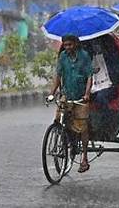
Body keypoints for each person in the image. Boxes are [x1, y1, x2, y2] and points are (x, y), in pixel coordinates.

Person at [48, 34, 93, 173]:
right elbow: (58, 76)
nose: (67, 48)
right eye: (65, 45)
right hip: (66, 95)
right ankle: (66, 140)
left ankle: (84, 158)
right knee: (59, 119)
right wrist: (52, 93)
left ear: (76, 44)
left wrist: (87, 94)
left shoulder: (84, 56)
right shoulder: (63, 57)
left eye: (70, 45)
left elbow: (89, 76)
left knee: (82, 126)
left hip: (80, 97)